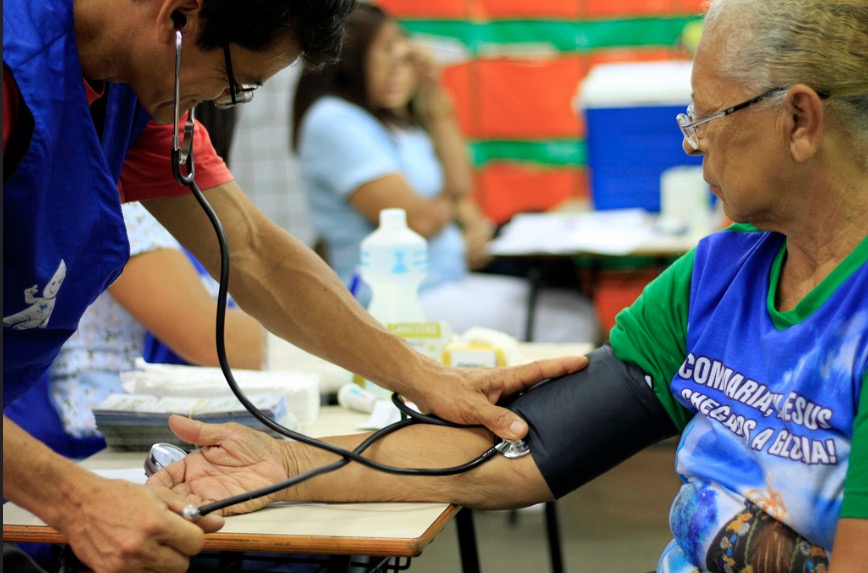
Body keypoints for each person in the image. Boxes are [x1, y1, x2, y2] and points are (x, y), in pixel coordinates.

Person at [151, 0, 868, 571]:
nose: (690, 141)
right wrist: (291, 460)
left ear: (799, 119)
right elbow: (524, 445)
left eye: (707, 116)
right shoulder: (718, 276)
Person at [2, 1, 586, 572]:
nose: (217, 105)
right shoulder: (20, 70)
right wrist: (77, 500)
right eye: (238, 83)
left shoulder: (132, 97)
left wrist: (426, 378)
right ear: (178, 18)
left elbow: (255, 252)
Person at [292, 4, 599, 344]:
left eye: (404, 52)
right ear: (350, 58)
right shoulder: (334, 121)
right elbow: (418, 220)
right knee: (572, 321)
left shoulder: (392, 123)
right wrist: (454, 219)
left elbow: (459, 184)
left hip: (445, 282)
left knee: (574, 303)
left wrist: (433, 95)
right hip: (399, 302)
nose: (401, 63)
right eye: (387, 50)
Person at [4, 201, 264, 461]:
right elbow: (212, 339)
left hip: (155, 429)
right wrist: (295, 340)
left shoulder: (177, 208)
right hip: (99, 444)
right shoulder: (119, 209)